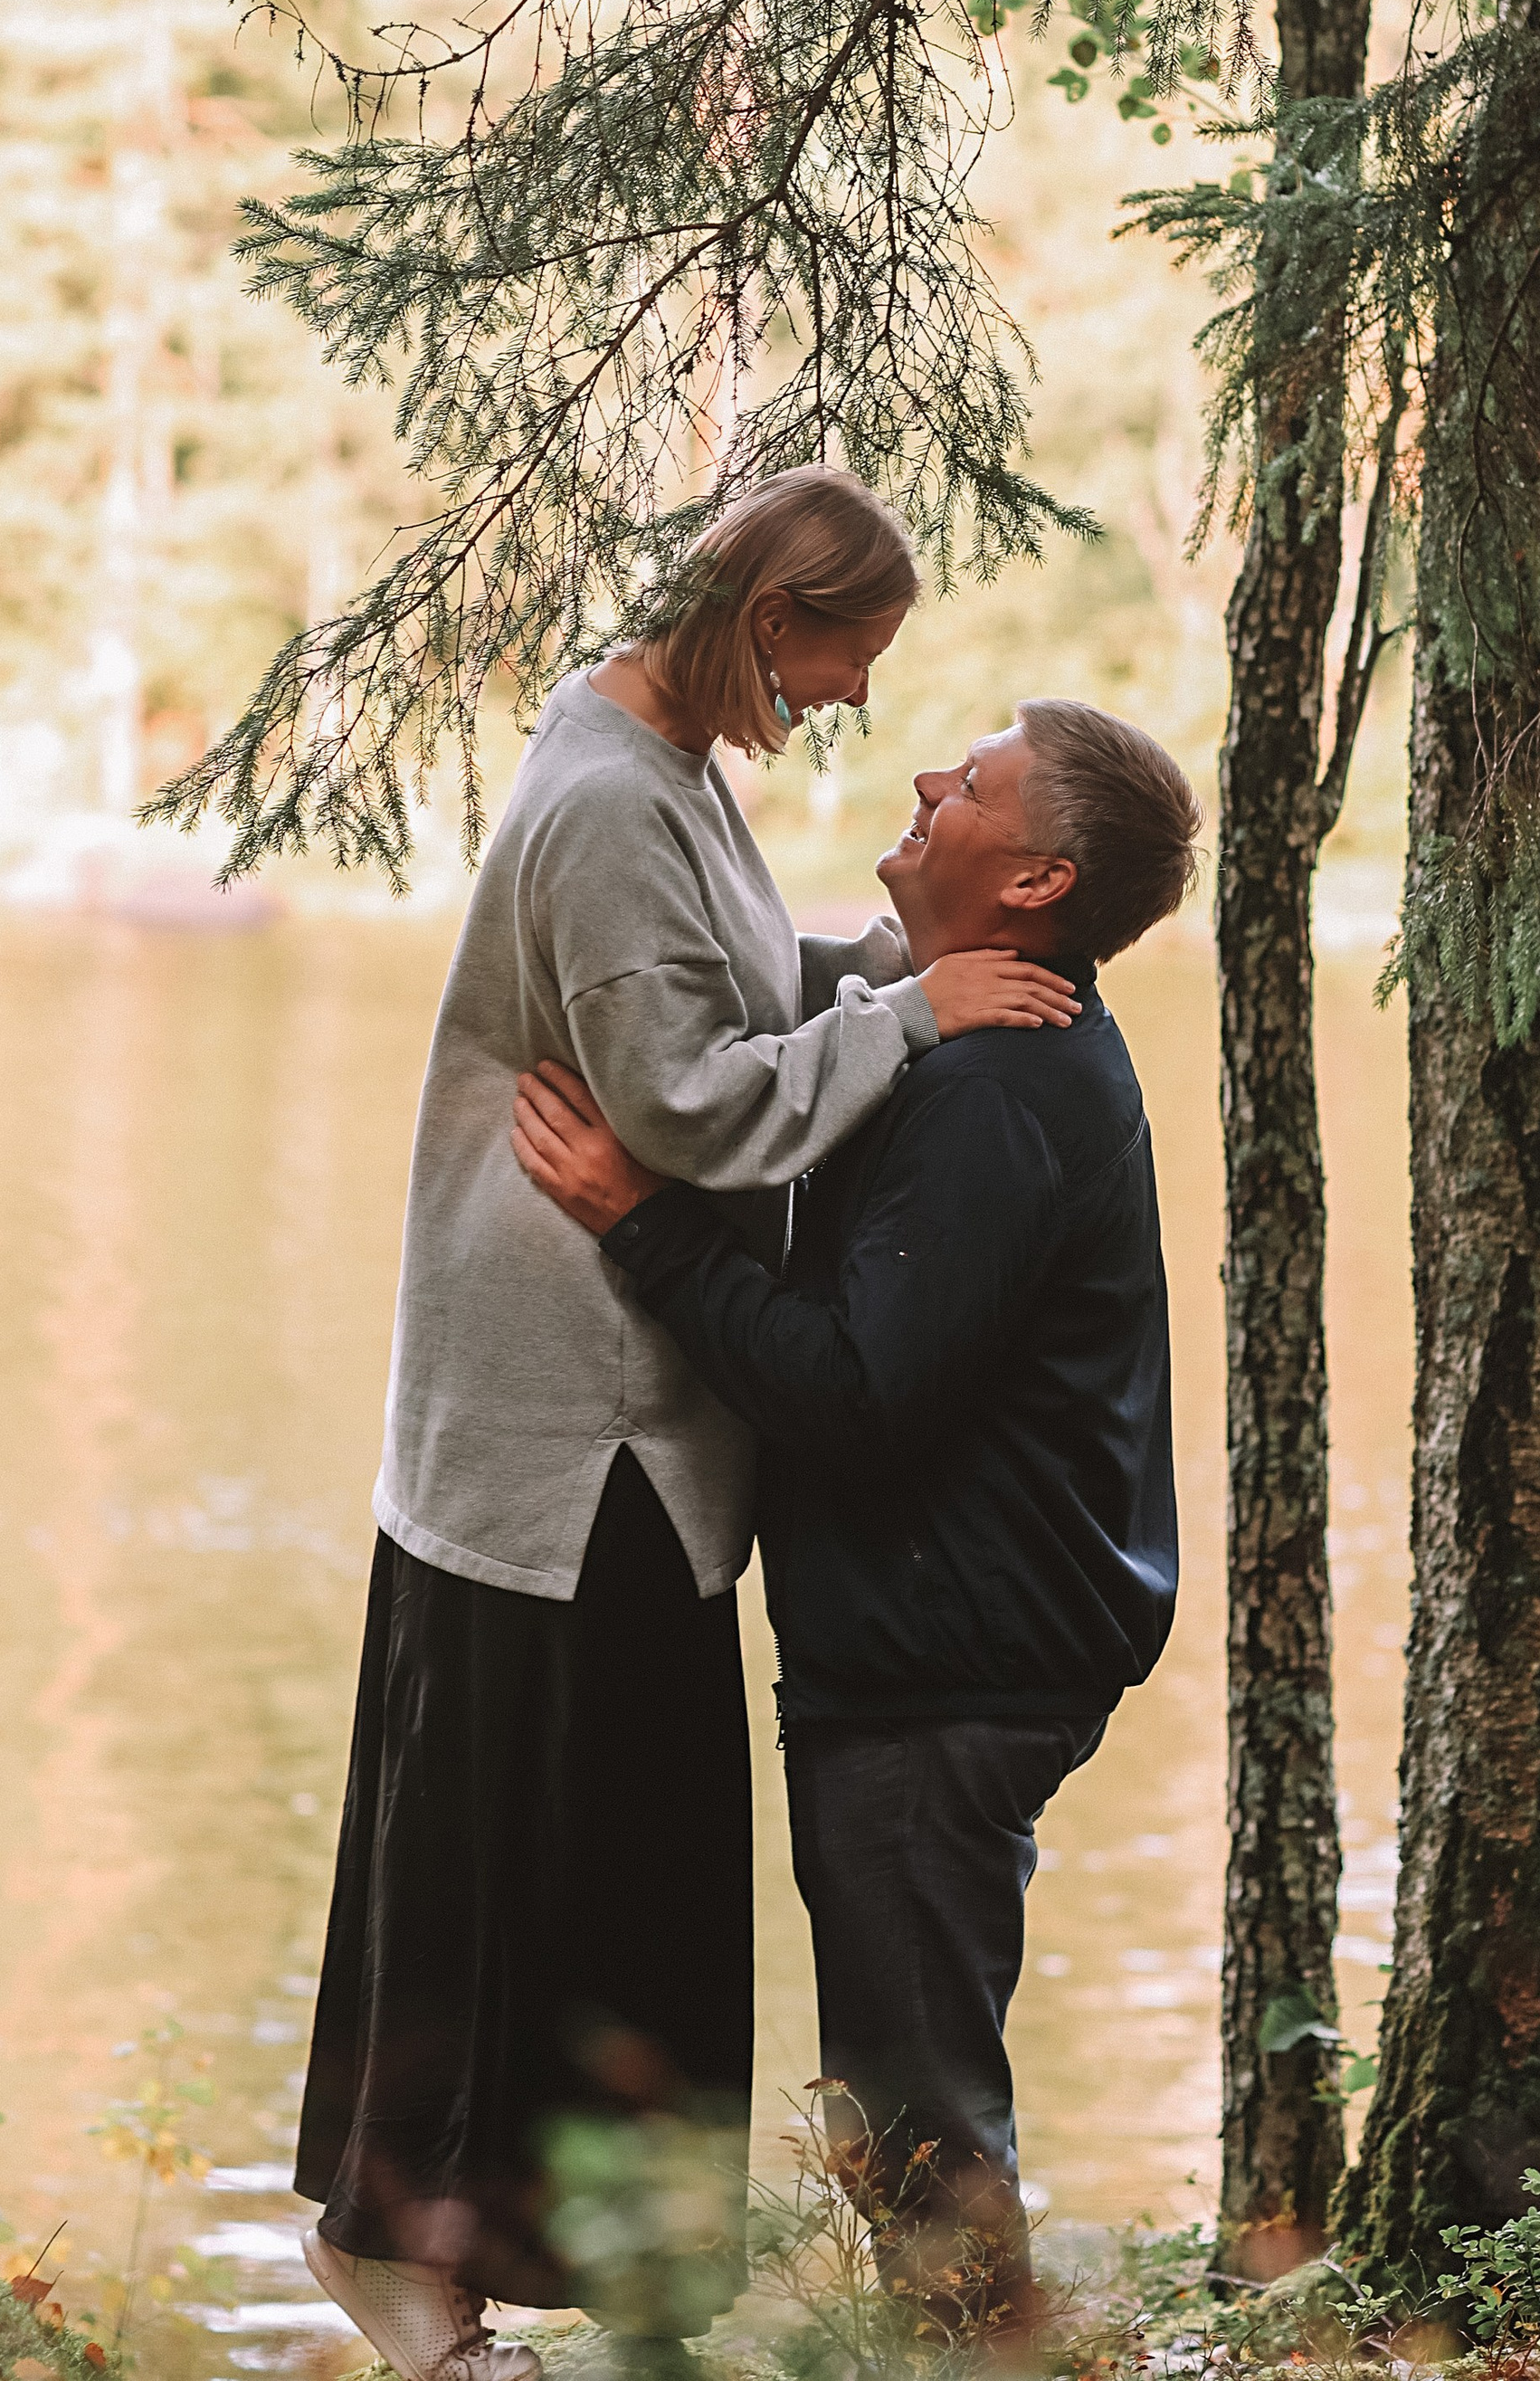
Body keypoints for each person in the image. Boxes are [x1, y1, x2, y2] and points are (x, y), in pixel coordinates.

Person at [295, 471, 1079, 2381]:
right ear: (762, 619)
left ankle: (472, 2269)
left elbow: (729, 1008)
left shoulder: (652, 765)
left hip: (617, 1407)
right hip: (574, 1418)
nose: (845, 700)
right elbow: (687, 1109)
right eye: (841, 655)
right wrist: (909, 1026)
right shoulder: (604, 803)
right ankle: (401, 2259)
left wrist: (884, 978)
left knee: (586, 1844)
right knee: (533, 1841)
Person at [509, 698, 1199, 2333]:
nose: (929, 781)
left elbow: (856, 1395)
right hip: (947, 1648)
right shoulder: (971, 1043)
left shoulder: (1001, 1093)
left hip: (948, 1675)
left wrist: (646, 1225)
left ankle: (973, 2364)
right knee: (908, 2101)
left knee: (915, 2122)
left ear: (1034, 881)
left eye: (973, 783)